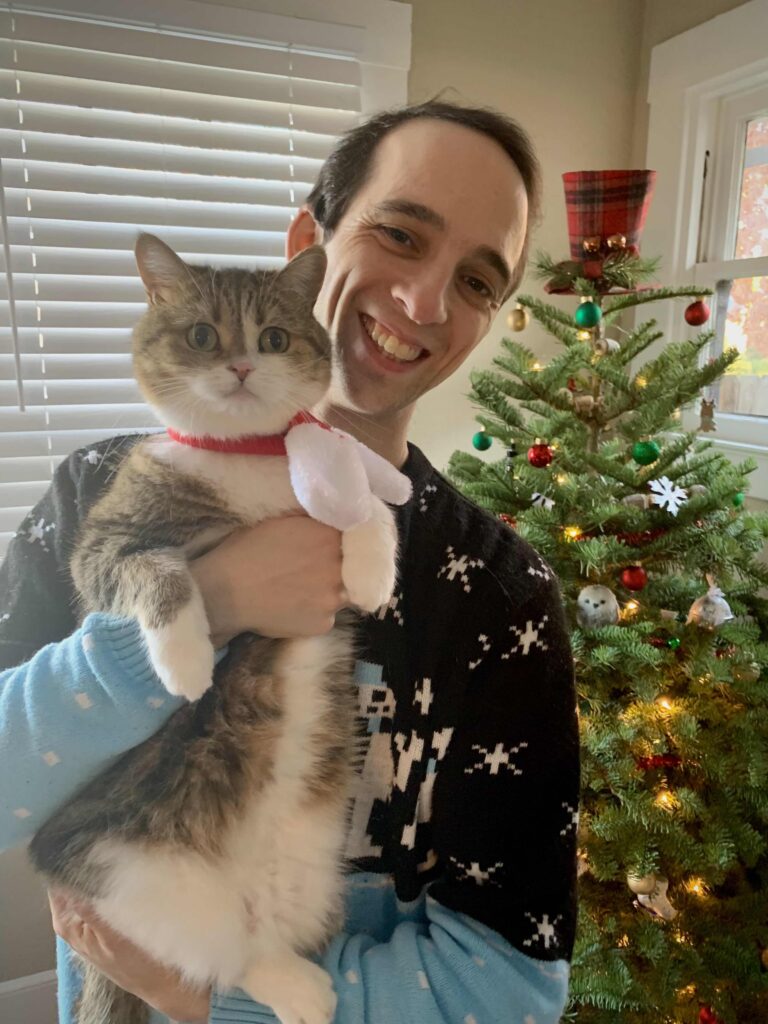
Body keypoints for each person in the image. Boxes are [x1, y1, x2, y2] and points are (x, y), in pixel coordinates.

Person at [0, 100, 579, 1024]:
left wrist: (206, 995)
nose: (425, 303)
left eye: (476, 281)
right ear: (310, 237)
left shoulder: (501, 596)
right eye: (399, 233)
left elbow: (511, 987)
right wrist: (211, 601)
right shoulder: (97, 489)